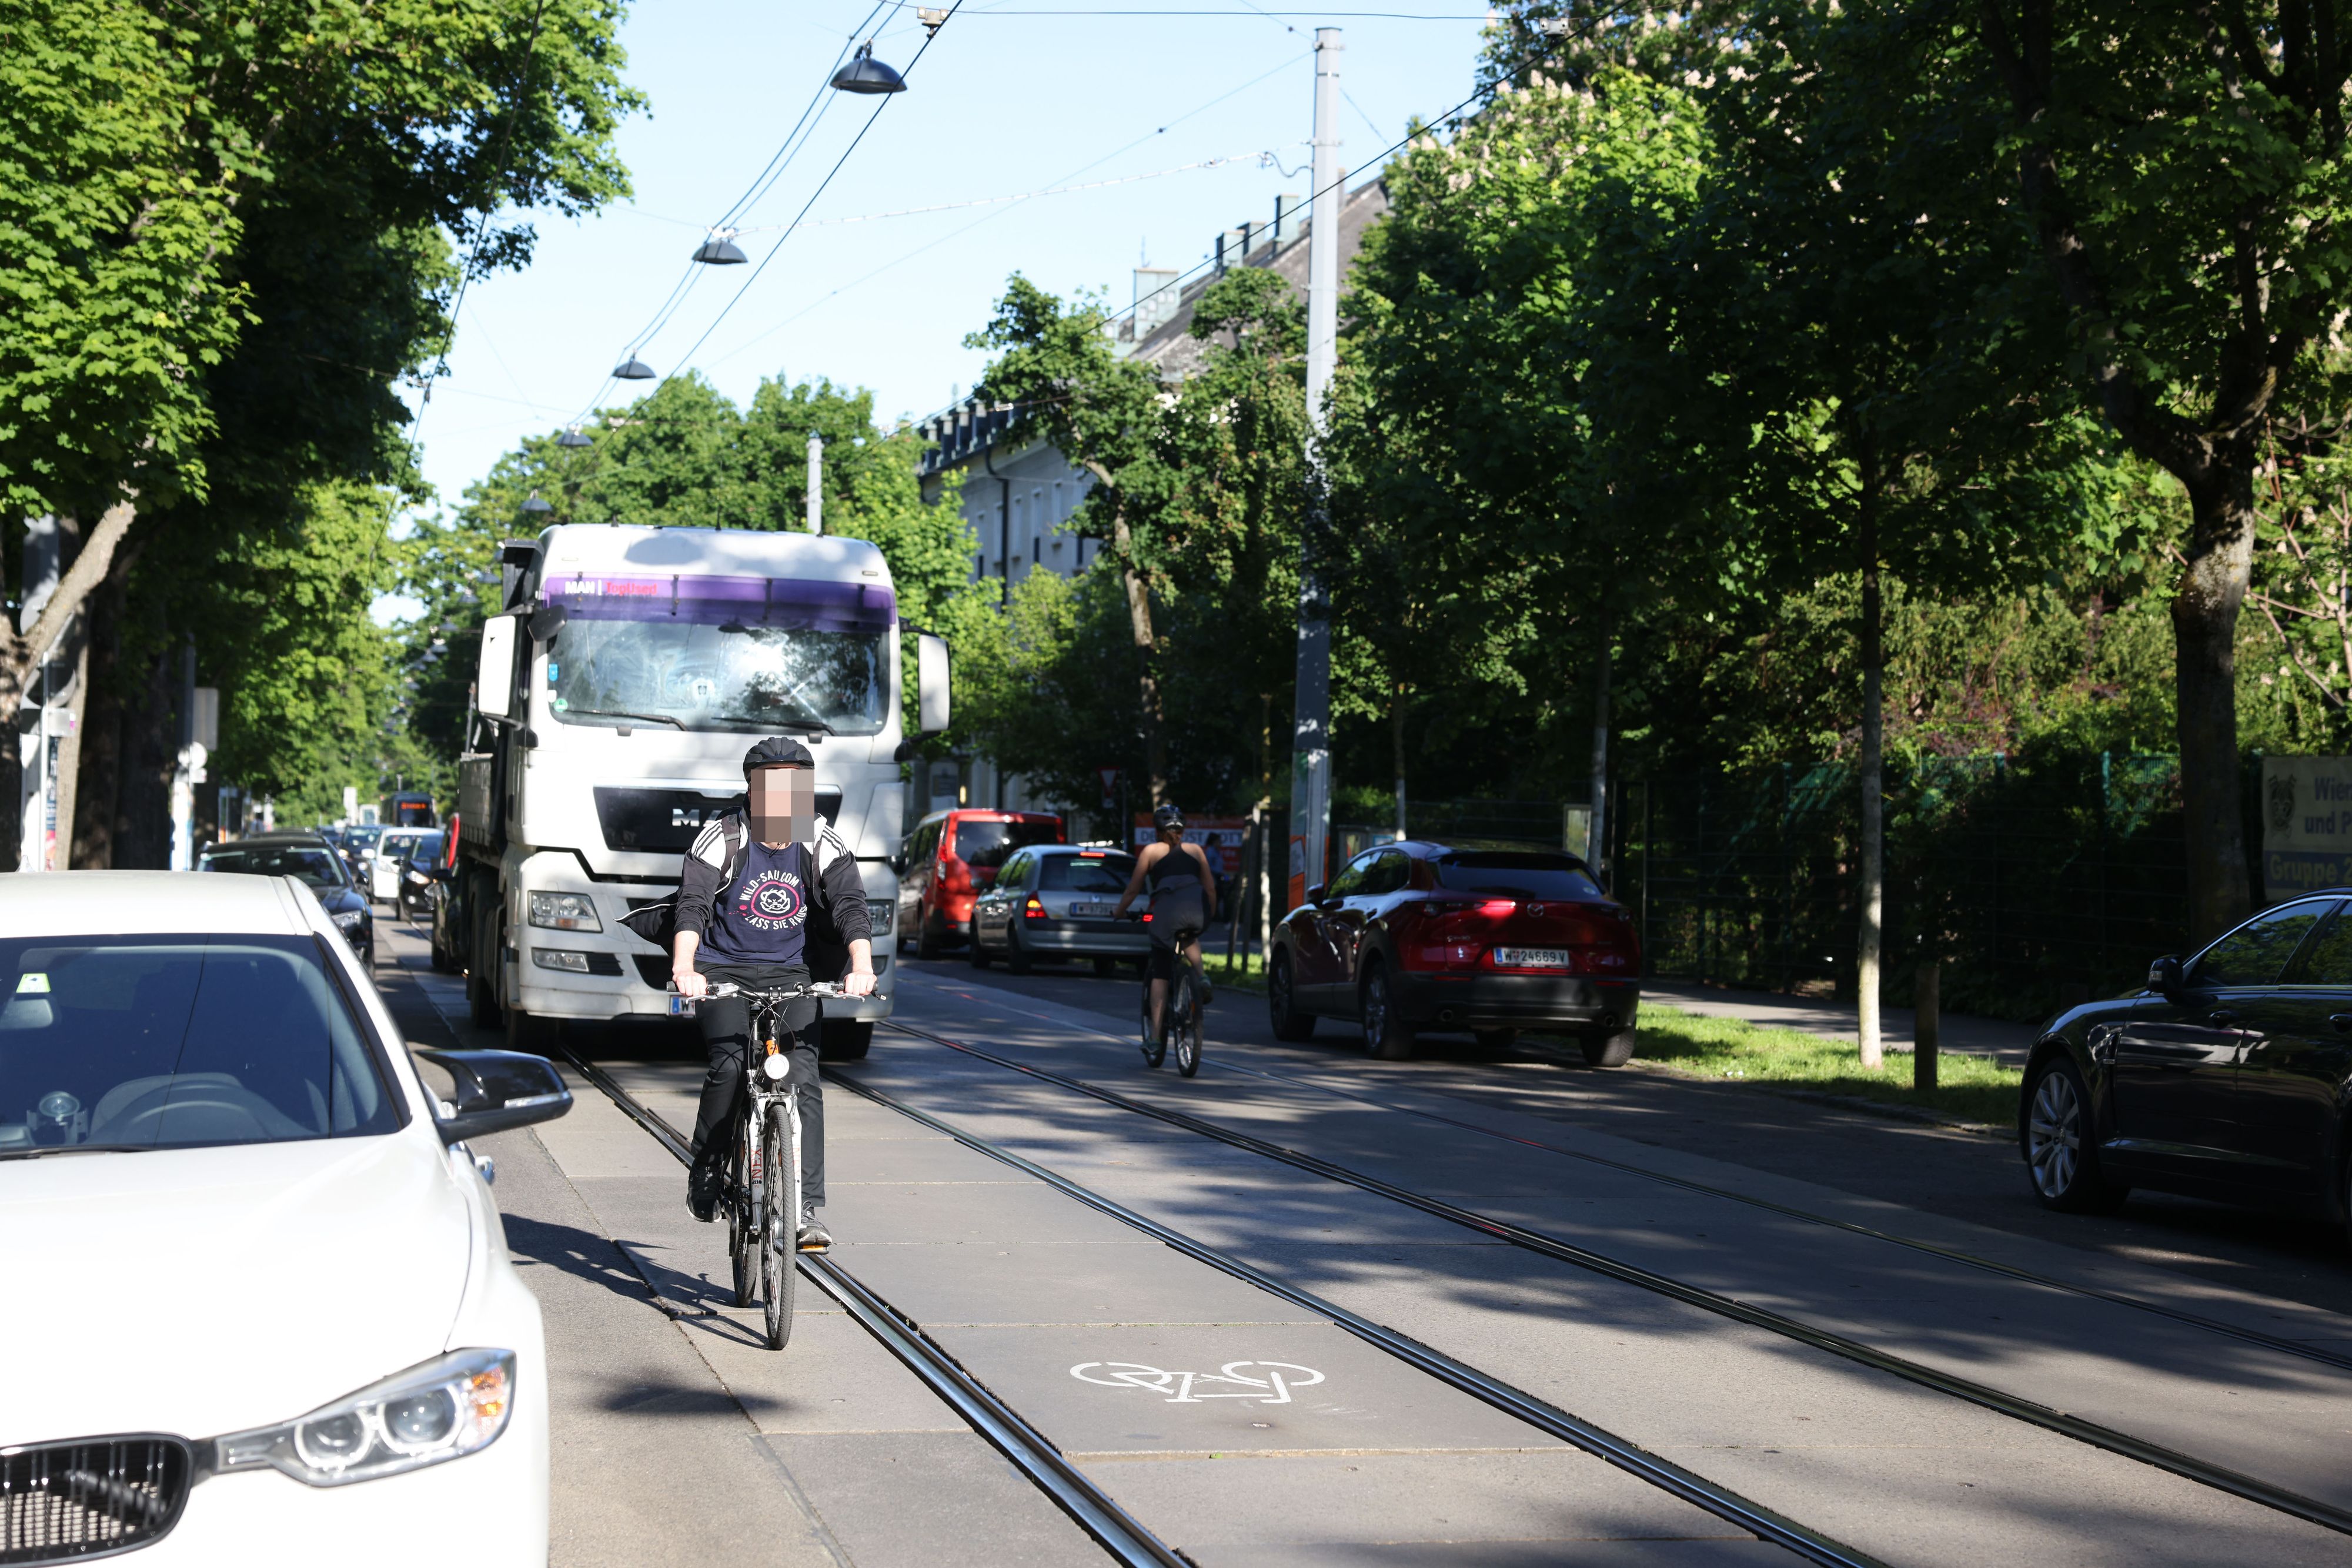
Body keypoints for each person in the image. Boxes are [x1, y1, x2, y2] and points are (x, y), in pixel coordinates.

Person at [672, 736, 876, 1251]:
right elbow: (692, 905)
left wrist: (862, 965)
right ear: (753, 791)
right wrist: (684, 966)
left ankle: (804, 1207)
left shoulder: (819, 840)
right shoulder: (724, 837)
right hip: (723, 970)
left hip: (794, 973)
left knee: (803, 1076)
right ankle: (709, 1165)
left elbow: (851, 904)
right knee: (729, 1066)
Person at [1113, 803, 1218, 1054]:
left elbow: (1133, 889)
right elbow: (1211, 889)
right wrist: (1210, 915)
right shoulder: (1196, 851)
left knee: (1160, 972)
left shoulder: (1151, 851)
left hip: (1167, 914)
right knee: (1189, 935)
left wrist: (1119, 912)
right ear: (1183, 831)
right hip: (1196, 911)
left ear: (1157, 831)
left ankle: (1155, 1038)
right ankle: (1202, 977)